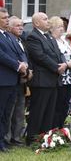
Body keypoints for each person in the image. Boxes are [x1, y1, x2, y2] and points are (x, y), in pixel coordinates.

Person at [25, 12, 66, 144]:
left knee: (49, 111)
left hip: (53, 80)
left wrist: (63, 64)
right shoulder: (33, 37)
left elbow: (57, 54)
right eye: (45, 19)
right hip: (41, 81)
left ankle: (46, 137)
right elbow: (40, 56)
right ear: (36, 23)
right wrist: (57, 67)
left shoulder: (49, 37)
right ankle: (32, 138)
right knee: (38, 110)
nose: (48, 21)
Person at [0, 8, 28, 152]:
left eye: (7, 17)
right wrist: (18, 66)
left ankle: (3, 142)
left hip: (13, 80)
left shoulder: (8, 36)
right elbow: (2, 56)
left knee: (6, 113)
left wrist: (24, 64)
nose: (6, 20)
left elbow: (19, 51)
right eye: (4, 18)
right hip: (2, 80)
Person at [50, 16, 71, 128]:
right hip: (60, 78)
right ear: (51, 28)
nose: (62, 29)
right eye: (58, 27)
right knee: (58, 105)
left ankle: (61, 127)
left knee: (66, 105)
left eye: (62, 26)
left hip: (69, 77)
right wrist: (68, 64)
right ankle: (55, 129)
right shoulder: (52, 41)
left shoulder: (64, 41)